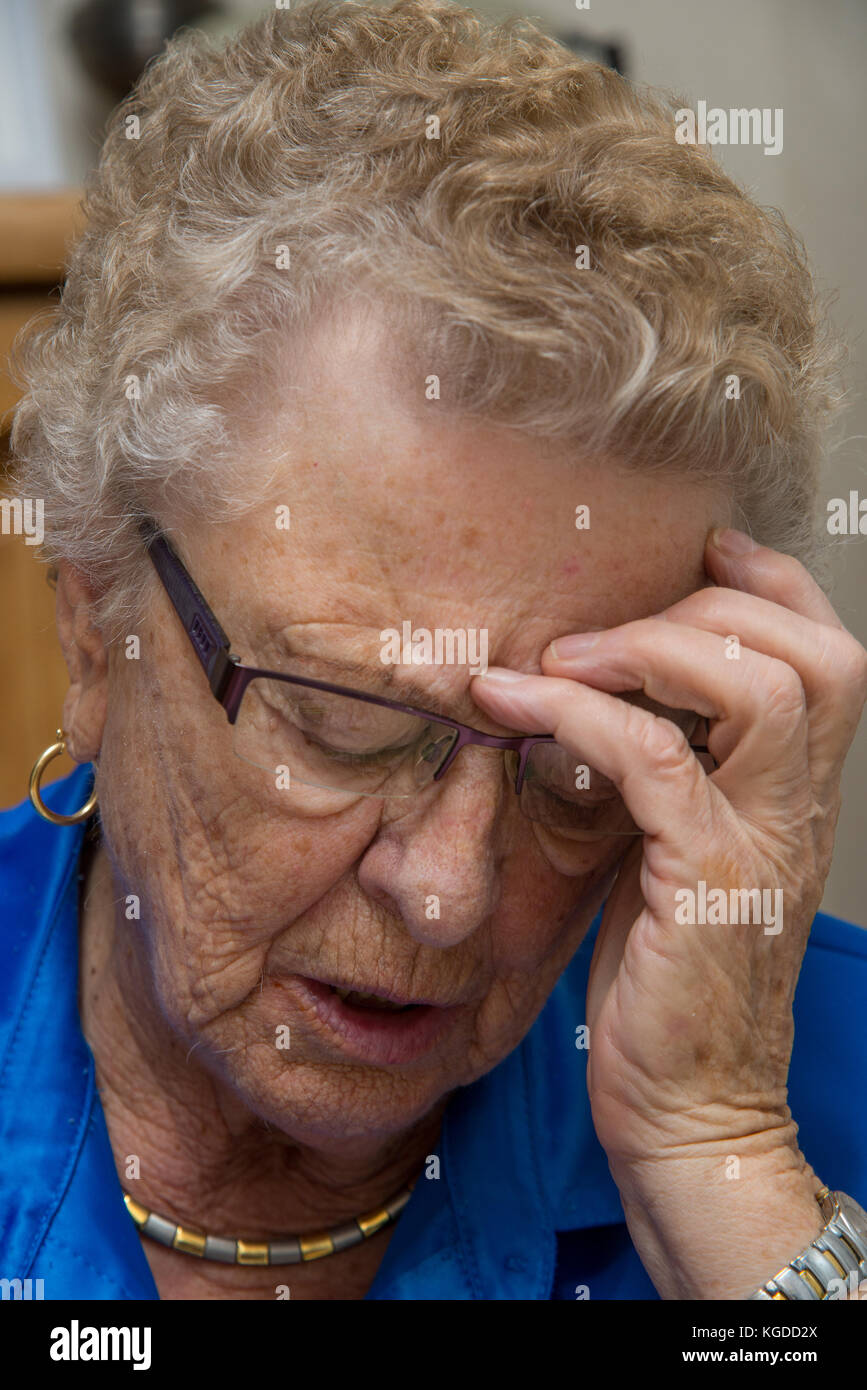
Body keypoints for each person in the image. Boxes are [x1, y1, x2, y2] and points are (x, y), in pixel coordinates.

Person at [2, 0, 866, 1301]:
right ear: (93, 616)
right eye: (341, 719)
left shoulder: (833, 1076)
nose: (453, 892)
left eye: (574, 765)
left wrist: (723, 1165)